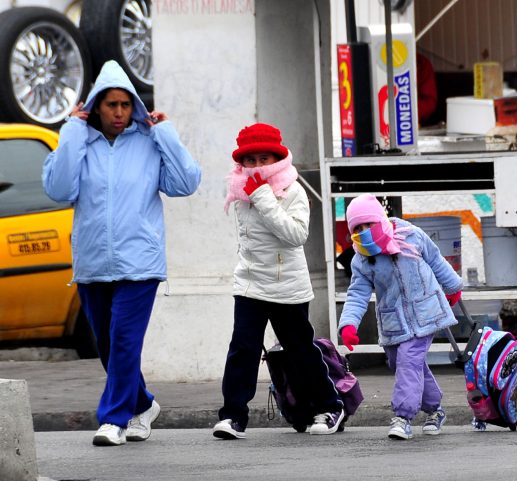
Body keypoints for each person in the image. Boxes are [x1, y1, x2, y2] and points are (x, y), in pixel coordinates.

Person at [42, 60, 202, 446]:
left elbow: (186, 182)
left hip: (140, 263)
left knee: (125, 341)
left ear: (134, 107)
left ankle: (113, 418)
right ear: (96, 106)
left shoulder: (149, 142)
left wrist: (164, 132)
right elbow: (59, 188)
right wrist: (72, 130)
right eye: (110, 105)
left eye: (125, 105)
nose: (118, 113)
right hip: (94, 262)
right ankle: (143, 404)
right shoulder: (82, 142)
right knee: (110, 347)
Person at [214, 123, 345, 439]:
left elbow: (296, 236)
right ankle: (233, 416)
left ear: (277, 158)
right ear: (242, 164)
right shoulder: (240, 191)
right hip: (249, 283)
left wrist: (265, 199)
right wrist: (256, 196)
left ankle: (329, 406)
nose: (257, 166)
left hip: (287, 285)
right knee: (242, 349)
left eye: (264, 159)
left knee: (300, 351)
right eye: (251, 160)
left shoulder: (292, 190)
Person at [338, 194, 463, 440]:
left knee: (409, 361)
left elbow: (436, 260)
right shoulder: (362, 258)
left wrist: (453, 287)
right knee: (404, 364)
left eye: (368, 225)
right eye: (357, 228)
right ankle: (435, 409)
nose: (363, 232)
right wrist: (349, 323)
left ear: (380, 219)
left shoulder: (410, 235)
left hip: (425, 312)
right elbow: (357, 294)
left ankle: (403, 417)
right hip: (394, 321)